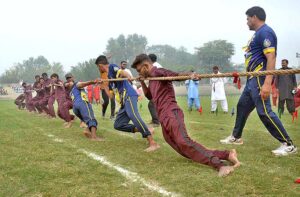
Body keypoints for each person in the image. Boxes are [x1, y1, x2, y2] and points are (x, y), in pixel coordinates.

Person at [131, 54, 240, 177]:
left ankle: (220, 165)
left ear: (146, 66)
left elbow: (175, 75)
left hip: (171, 113)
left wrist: (190, 75)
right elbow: (150, 96)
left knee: (184, 143)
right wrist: (143, 82)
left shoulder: (158, 72)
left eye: (139, 70)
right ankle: (226, 154)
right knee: (180, 146)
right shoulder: (152, 78)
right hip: (163, 116)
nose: (139, 73)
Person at [220, 6, 296, 156]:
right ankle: (236, 136)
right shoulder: (257, 34)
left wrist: (267, 83)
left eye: (247, 19)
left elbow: (271, 57)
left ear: (254, 17)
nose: (246, 22)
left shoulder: (265, 32)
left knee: (264, 112)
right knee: (242, 107)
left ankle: (288, 144)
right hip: (251, 80)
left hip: (260, 78)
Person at [95, 55, 160, 152]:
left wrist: (128, 76)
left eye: (98, 67)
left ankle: (152, 143)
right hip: (123, 101)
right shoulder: (109, 78)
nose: (98, 69)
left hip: (129, 95)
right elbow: (111, 96)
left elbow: (123, 72)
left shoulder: (112, 67)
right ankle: (146, 129)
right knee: (118, 124)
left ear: (100, 65)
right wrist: (103, 86)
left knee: (134, 116)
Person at [65, 74, 103, 141]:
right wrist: (93, 81)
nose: (70, 79)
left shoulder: (70, 91)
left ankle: (87, 130)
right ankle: (94, 137)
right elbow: (85, 83)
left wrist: (96, 83)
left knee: (87, 120)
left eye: (69, 78)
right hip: (82, 103)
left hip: (75, 108)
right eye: (68, 78)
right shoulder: (76, 84)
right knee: (91, 118)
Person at [147, 54, 161, 126]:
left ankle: (156, 122)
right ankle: (155, 120)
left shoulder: (155, 66)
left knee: (151, 104)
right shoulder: (156, 65)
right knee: (153, 104)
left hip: (158, 87)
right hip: (157, 87)